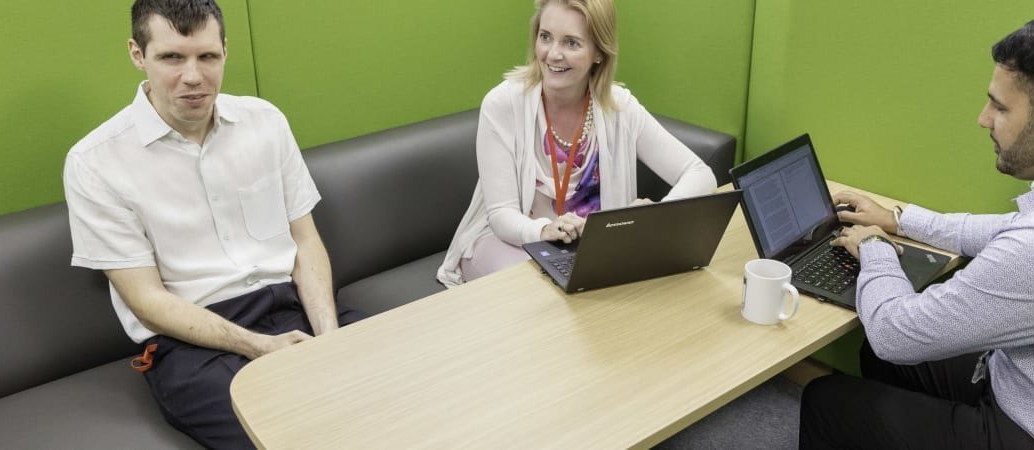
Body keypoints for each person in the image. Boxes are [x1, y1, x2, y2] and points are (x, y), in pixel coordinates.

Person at [797, 16, 1034, 449]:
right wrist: (900, 219)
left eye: (1000, 107)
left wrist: (874, 248)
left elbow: (894, 334)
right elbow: (1018, 228)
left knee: (828, 400)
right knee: (887, 362)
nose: (984, 119)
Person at [63, 1, 364, 447]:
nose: (193, 76)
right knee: (300, 433)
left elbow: (305, 240)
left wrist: (329, 338)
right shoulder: (95, 162)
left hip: (295, 308)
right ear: (137, 54)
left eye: (207, 57)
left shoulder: (264, 121)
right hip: (192, 343)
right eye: (172, 57)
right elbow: (146, 300)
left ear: (225, 50)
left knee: (409, 387)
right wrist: (260, 348)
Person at [436, 0, 717, 286]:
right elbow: (500, 214)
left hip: (582, 254)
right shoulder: (503, 104)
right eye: (545, 37)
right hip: (507, 241)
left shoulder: (619, 108)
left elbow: (699, 173)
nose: (553, 54)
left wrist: (652, 218)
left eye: (571, 43)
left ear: (599, 52)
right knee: (548, 293)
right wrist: (545, 230)